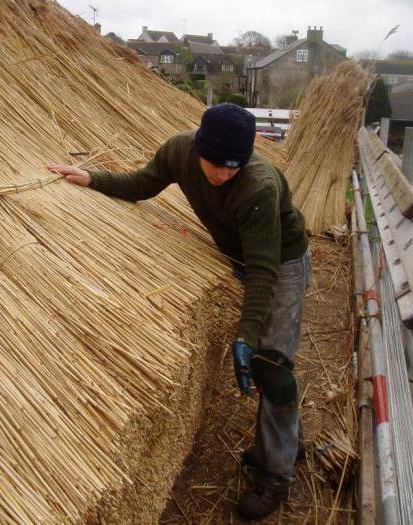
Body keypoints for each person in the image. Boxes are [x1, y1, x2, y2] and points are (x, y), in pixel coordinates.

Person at [47, 103, 311, 520]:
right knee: (264, 361)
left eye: (233, 167)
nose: (222, 174)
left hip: (283, 260)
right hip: (239, 255)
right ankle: (288, 439)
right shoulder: (179, 152)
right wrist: (94, 178)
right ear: (199, 147)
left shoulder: (258, 186)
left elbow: (264, 272)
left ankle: (275, 474)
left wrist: (245, 335)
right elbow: (141, 184)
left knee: (273, 367)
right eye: (215, 164)